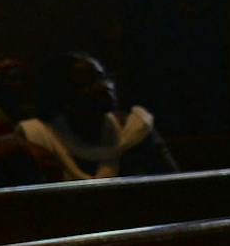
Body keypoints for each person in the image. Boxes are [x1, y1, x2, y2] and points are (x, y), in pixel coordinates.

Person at [18, 52, 179, 179]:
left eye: (103, 78)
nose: (103, 87)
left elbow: (170, 186)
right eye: (87, 83)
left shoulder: (134, 128)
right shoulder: (37, 136)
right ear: (62, 95)